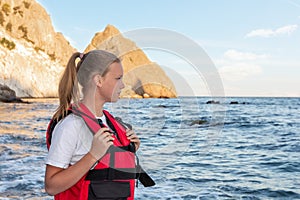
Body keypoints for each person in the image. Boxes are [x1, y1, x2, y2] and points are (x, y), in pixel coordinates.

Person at [44, 50, 141, 200]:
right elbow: (51, 186)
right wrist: (93, 155)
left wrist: (129, 148)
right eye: (118, 78)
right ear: (98, 80)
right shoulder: (71, 125)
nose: (122, 85)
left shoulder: (113, 124)